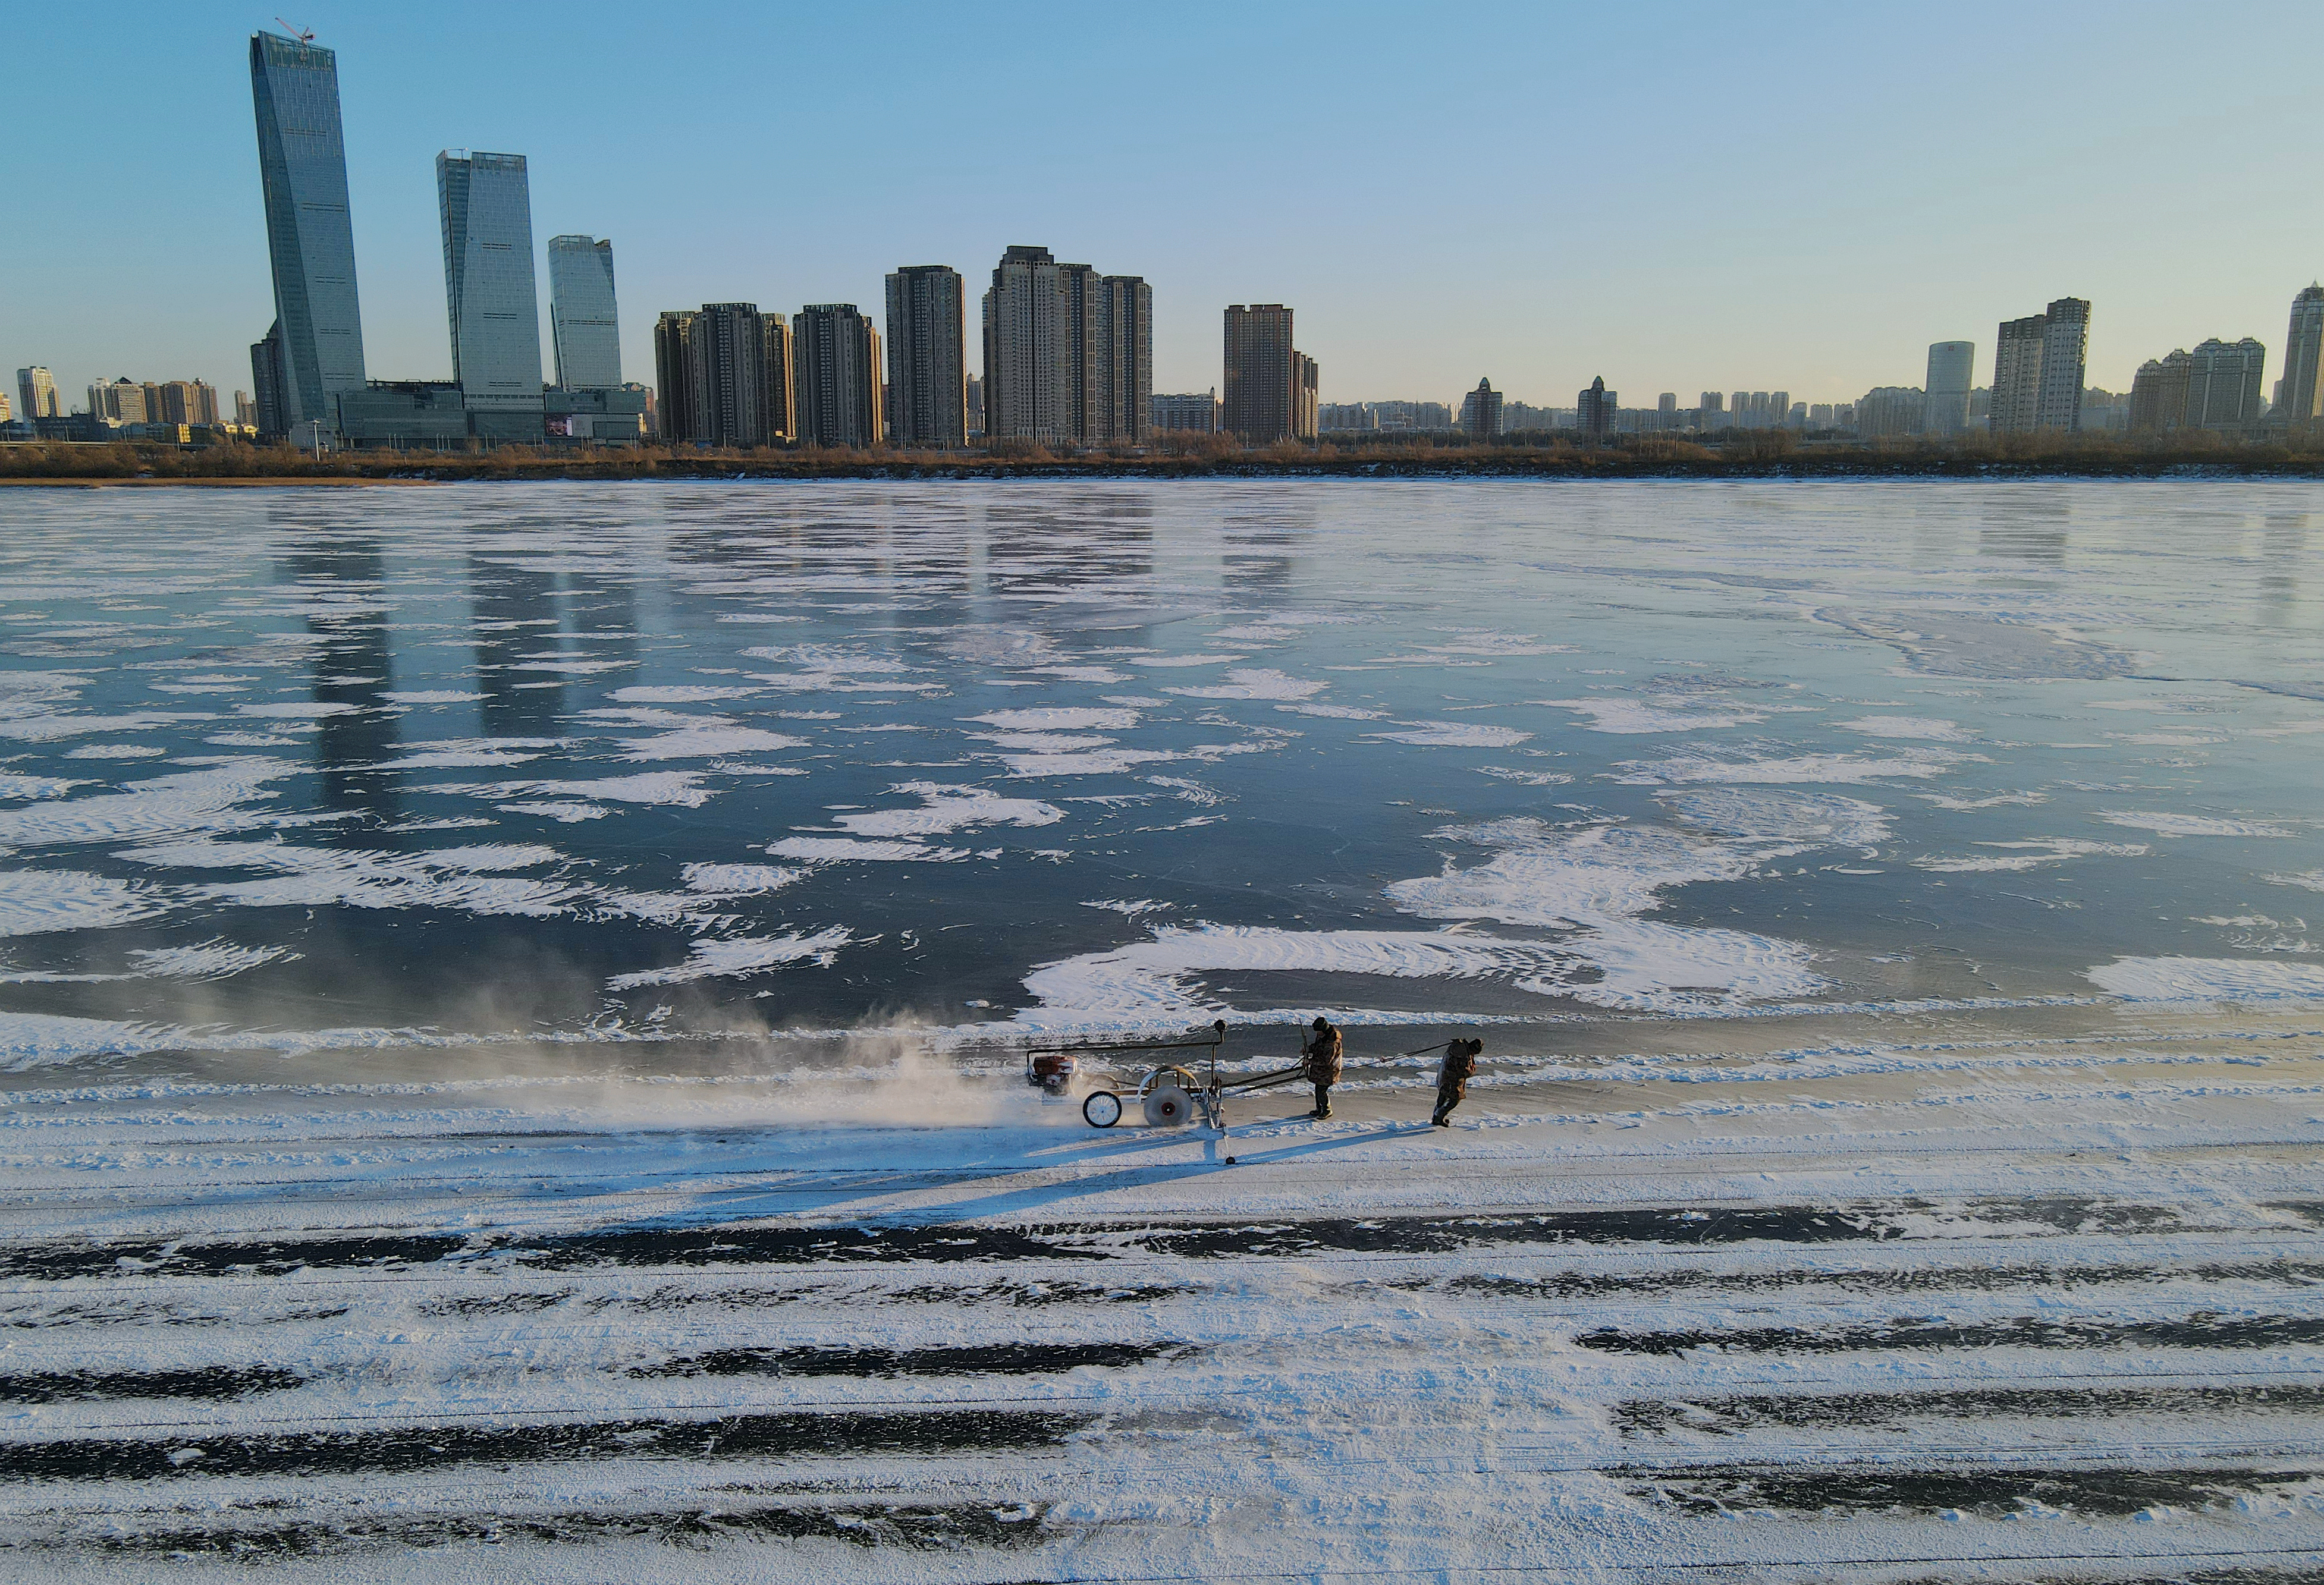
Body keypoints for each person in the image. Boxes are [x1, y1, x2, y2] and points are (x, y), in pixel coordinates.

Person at [1432, 1037, 1483, 1127]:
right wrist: (1473, 1068)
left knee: (1443, 1095)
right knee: (1455, 1099)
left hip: (1444, 1076)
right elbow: (1466, 1072)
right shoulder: (1463, 1056)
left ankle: (1436, 1118)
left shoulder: (1459, 1048)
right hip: (1452, 1080)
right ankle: (1439, 1115)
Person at [1301, 1015, 1343, 1118]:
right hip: (1321, 1069)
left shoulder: (1332, 1043)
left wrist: (1310, 1061)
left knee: (1321, 1090)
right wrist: (1309, 1049)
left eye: (1319, 1032)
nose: (1318, 1034)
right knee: (1318, 1087)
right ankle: (1319, 1108)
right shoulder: (1323, 1036)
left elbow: (1326, 1061)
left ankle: (1327, 1110)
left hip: (1330, 1071)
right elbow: (1318, 1047)